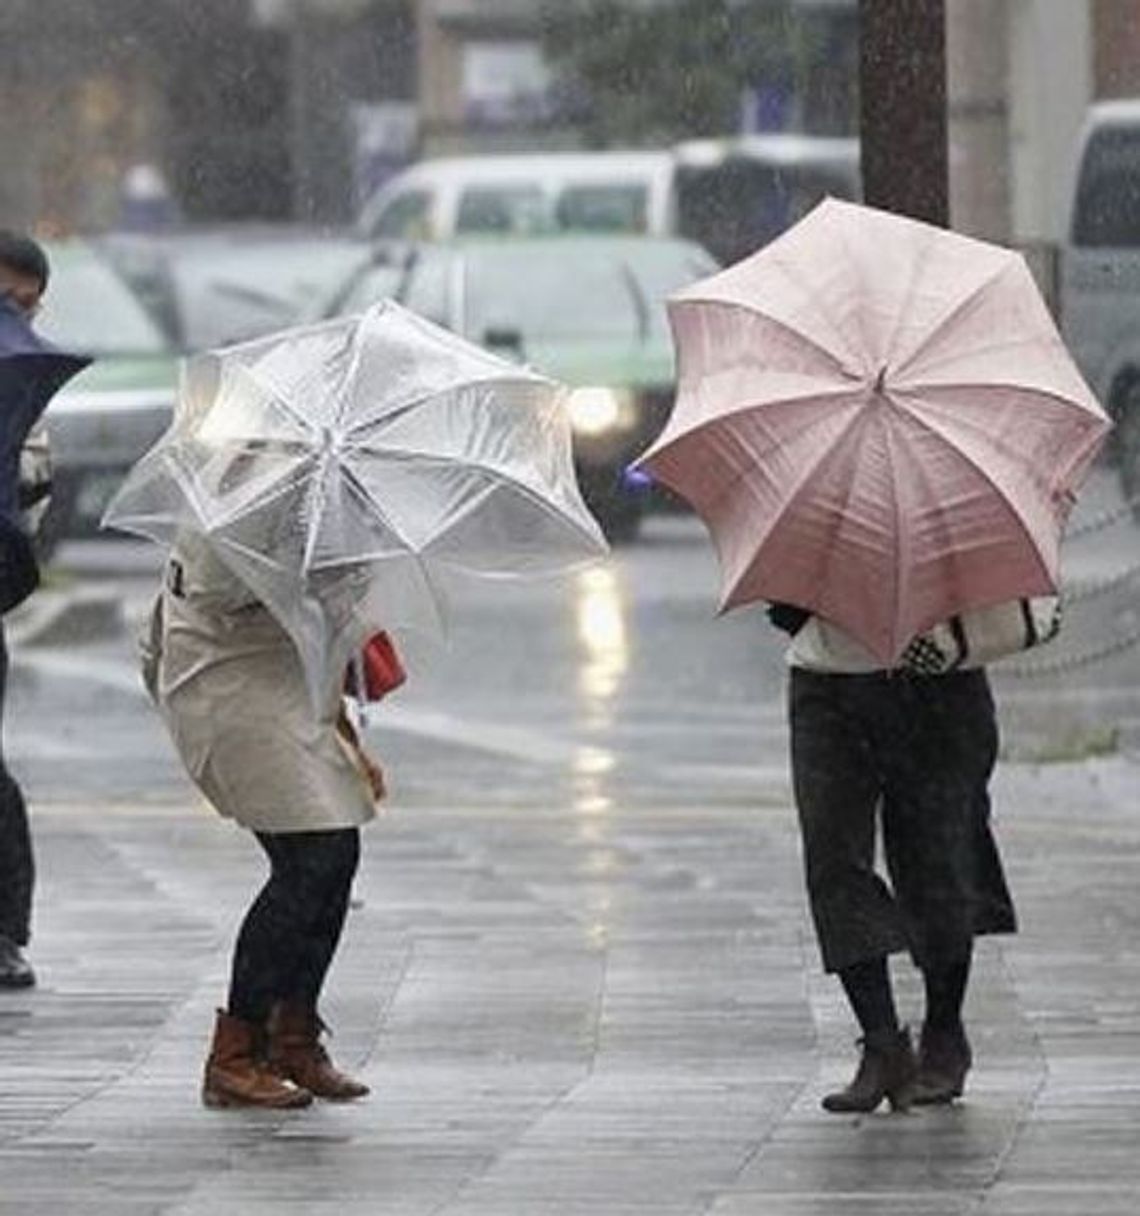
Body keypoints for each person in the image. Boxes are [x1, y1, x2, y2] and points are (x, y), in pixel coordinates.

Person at [770, 597, 1060, 1113]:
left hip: (939, 682)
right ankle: (882, 1043)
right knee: (834, 861)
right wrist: (790, 602)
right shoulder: (820, 513)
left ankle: (944, 1033)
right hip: (827, 678)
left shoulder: (952, 514)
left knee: (937, 860)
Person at [141, 532, 386, 1108]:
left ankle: (291, 1036)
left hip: (283, 684)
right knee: (312, 858)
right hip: (226, 672)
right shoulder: (246, 476)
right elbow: (225, 585)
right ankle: (234, 1054)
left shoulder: (326, 487)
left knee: (331, 855)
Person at [0, 231, 52, 989]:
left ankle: (5, 928)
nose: (19, 317)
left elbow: (37, 497)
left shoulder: (21, 391)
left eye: (29, 307)